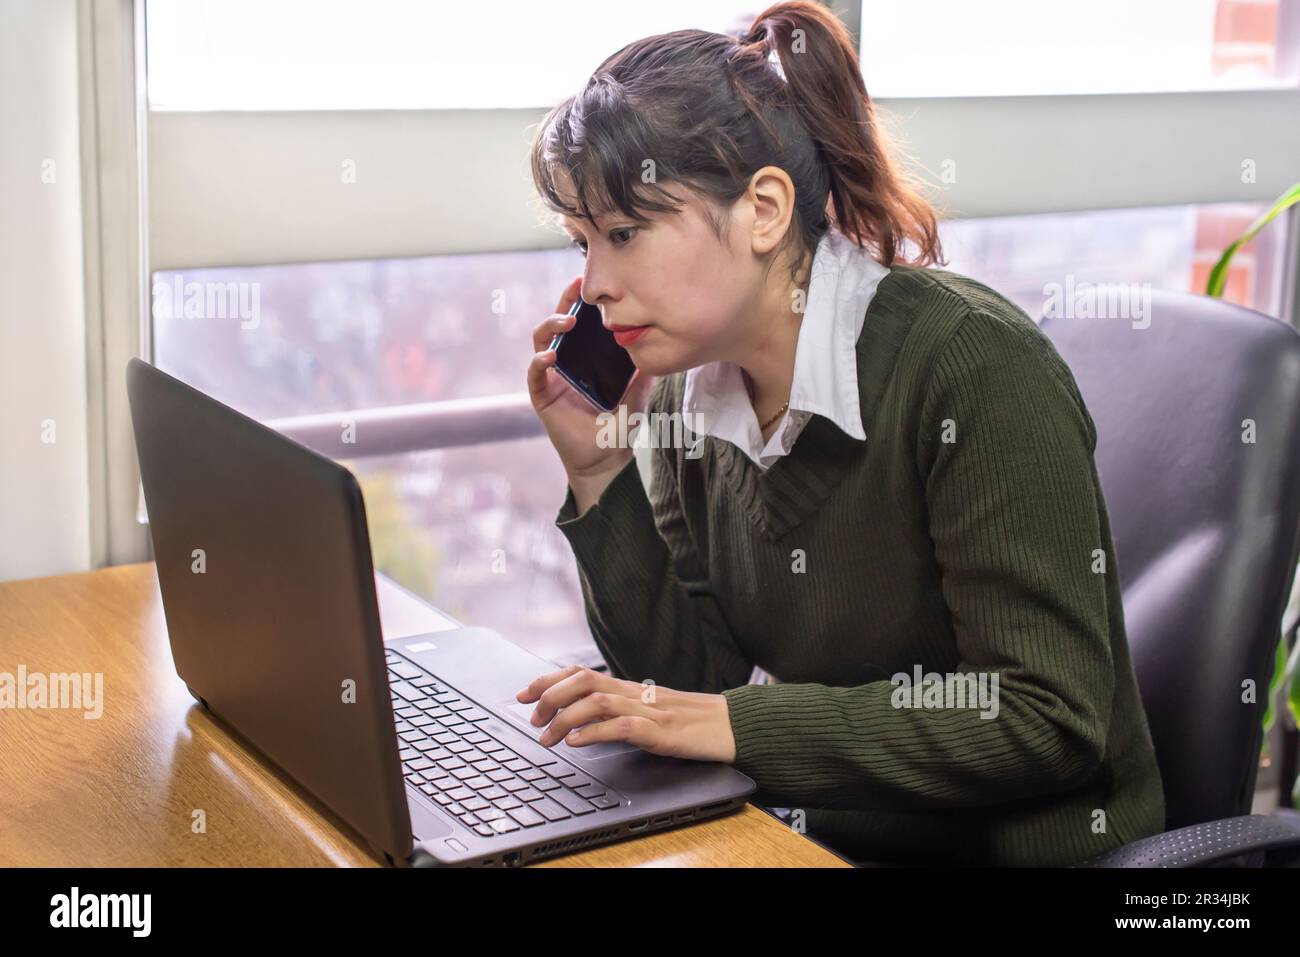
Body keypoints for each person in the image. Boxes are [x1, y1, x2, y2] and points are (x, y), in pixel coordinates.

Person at [516, 0, 1165, 866]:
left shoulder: (969, 364)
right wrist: (601, 475)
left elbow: (1046, 719)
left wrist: (737, 722)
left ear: (765, 210)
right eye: (581, 241)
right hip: (829, 833)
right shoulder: (681, 392)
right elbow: (690, 688)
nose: (593, 282)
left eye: (625, 234)